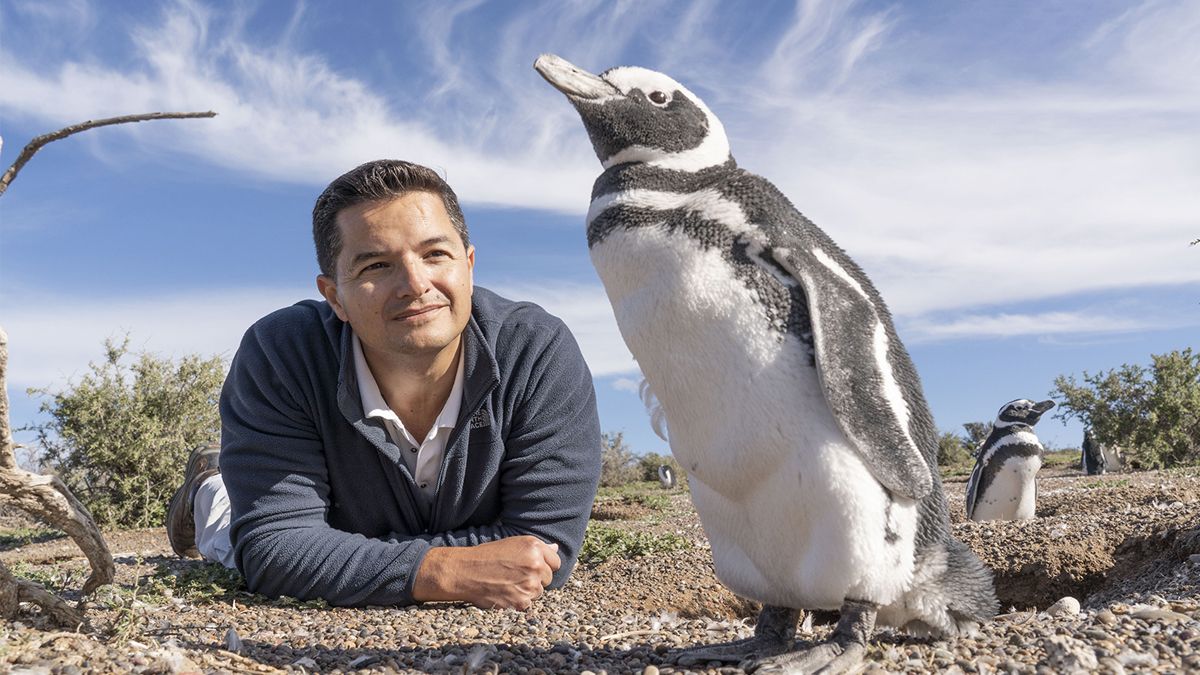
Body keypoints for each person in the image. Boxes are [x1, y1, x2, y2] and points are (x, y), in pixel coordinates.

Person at [165, 159, 602, 610]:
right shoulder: (282, 353)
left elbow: (543, 548)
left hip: (339, 530)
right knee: (228, 538)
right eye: (376, 265)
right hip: (304, 517)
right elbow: (274, 548)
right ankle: (208, 493)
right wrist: (441, 570)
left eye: (435, 254)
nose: (415, 284)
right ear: (335, 296)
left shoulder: (536, 350)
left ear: (468, 266)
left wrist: (337, 555)